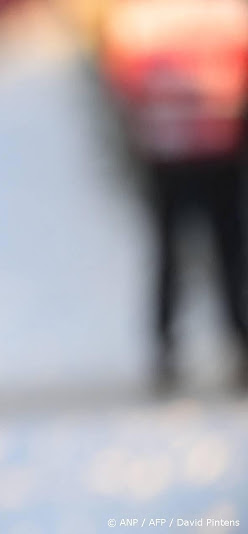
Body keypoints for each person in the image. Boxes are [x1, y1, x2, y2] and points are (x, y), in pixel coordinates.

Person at [99, 0, 248, 391]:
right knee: (225, 251)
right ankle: (229, 342)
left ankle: (168, 347)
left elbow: (123, 84)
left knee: (174, 252)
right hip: (214, 143)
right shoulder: (229, 14)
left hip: (171, 147)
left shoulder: (138, 19)